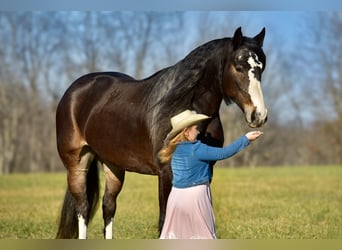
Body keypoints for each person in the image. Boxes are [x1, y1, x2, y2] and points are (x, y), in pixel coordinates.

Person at [158, 109, 263, 239]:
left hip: (176, 197)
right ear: (186, 132)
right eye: (195, 128)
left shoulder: (174, 149)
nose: (198, 131)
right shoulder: (197, 149)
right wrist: (246, 139)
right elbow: (223, 153)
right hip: (195, 197)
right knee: (202, 236)